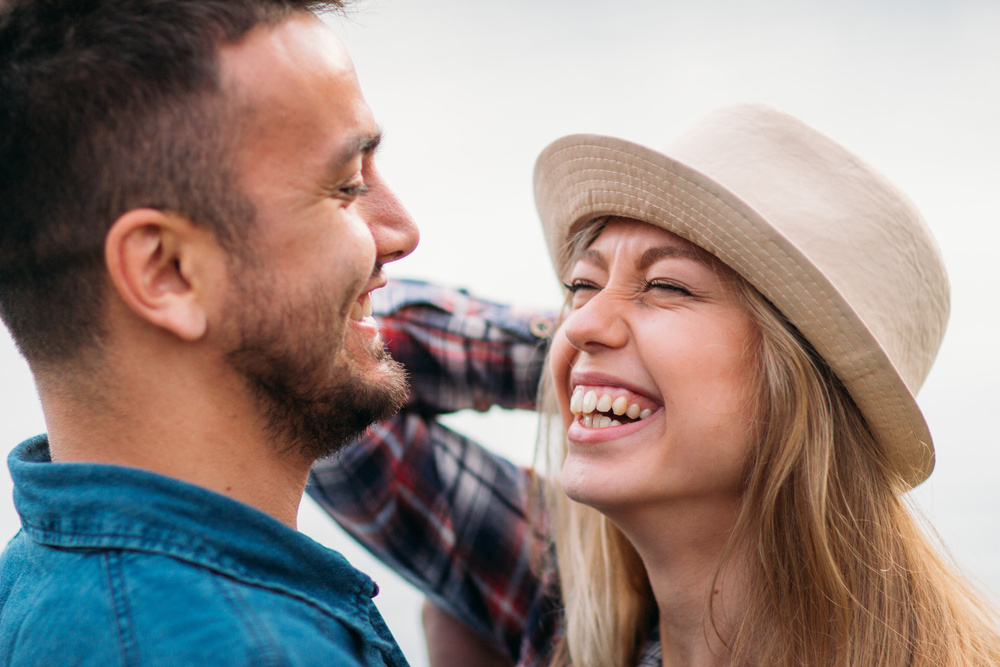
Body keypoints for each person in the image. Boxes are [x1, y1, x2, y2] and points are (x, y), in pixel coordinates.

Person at [309, 104, 1000, 666]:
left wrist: (631, 377)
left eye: (666, 284)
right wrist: (589, 367)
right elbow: (324, 360)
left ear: (800, 384)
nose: (578, 322)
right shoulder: (569, 610)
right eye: (583, 283)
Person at [0, 1, 419, 664]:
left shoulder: (39, 586)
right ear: (166, 270)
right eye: (346, 186)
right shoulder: (245, 649)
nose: (402, 231)